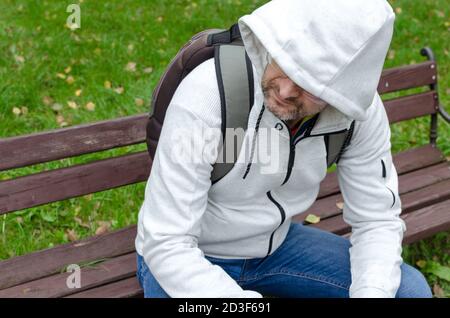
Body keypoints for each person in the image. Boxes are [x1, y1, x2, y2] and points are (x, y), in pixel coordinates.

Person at [134, 0, 432, 298]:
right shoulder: (210, 93)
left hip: (277, 247)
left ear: (343, 91)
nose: (286, 90)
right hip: (184, 256)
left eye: (311, 85)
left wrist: (372, 292)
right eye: (285, 63)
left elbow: (376, 219)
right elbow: (166, 241)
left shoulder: (357, 115)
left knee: (408, 290)